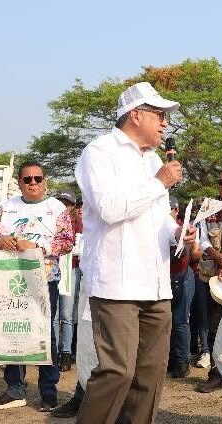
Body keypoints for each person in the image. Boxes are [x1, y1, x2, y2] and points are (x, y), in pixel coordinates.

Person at [74, 81, 194, 424]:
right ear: (135, 115)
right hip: (117, 284)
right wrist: (159, 182)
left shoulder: (153, 159)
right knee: (118, 372)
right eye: (160, 115)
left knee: (150, 378)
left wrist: (177, 232)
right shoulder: (99, 152)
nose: (165, 123)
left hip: (156, 284)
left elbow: (157, 217)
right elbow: (109, 208)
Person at [0, 161, 75, 412]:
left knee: (44, 332)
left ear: (45, 181)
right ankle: (15, 389)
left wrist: (38, 248)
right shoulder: (7, 207)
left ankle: (48, 392)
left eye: (38, 178)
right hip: (10, 279)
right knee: (13, 328)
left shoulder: (56, 208)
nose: (33, 183)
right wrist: (0, 240)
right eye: (27, 179)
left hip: (44, 278)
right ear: (20, 183)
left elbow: (67, 242)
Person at [194, 169, 222, 393]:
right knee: (212, 328)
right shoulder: (208, 208)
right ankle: (216, 375)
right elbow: (201, 240)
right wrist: (218, 257)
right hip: (209, 278)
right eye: (221, 181)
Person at [167, 195, 196, 379]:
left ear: (177, 210)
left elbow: (194, 253)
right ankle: (171, 359)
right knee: (166, 322)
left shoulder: (186, 228)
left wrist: (189, 243)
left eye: (169, 208)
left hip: (183, 276)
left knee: (180, 321)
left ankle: (183, 361)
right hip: (164, 277)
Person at [56, 190, 82, 372]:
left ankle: (65, 352)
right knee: (53, 315)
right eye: (61, 202)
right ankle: (53, 350)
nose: (64, 206)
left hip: (70, 270)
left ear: (73, 206)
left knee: (66, 314)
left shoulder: (78, 223)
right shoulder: (51, 220)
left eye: (67, 203)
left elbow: (78, 248)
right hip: (52, 269)